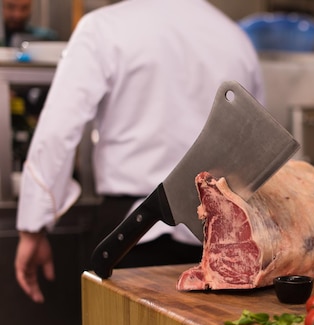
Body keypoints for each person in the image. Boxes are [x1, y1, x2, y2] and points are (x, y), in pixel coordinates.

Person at [14, 0, 264, 304]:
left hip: (131, 236)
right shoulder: (235, 37)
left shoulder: (103, 27)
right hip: (222, 240)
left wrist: (33, 226)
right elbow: (256, 142)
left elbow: (58, 129)